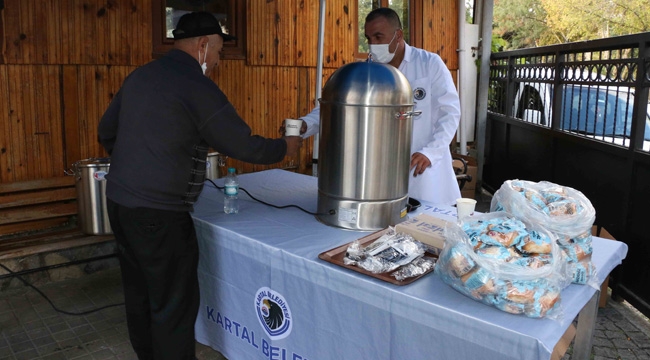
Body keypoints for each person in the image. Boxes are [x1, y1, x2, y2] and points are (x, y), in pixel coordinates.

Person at [97, 11, 301, 360]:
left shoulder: (142, 76)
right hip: (159, 215)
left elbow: (107, 131)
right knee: (173, 305)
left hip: (119, 202)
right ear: (203, 45)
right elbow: (242, 145)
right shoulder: (196, 85)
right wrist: (285, 147)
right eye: (219, 52)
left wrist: (141, 166)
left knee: (140, 293)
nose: (218, 61)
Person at [289, 7, 461, 205]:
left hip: (423, 168)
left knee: (426, 224)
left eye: (378, 37)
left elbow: (450, 113)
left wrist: (431, 152)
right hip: (381, 174)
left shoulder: (429, 63)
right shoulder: (368, 72)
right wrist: (305, 124)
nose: (372, 45)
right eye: (368, 38)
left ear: (398, 35)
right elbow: (336, 106)